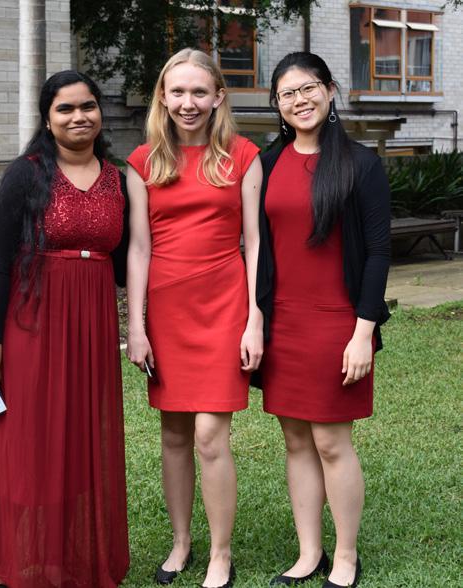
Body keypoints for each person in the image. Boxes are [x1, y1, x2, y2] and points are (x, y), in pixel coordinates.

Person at [0, 71, 130, 588]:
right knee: (28, 441)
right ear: (47, 118)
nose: (79, 116)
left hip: (93, 326)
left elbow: (128, 263)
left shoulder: (118, 179)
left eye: (88, 106)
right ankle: (11, 566)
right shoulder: (26, 174)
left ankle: (72, 559)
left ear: (100, 112)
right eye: (65, 109)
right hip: (31, 324)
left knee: (80, 441)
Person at [126, 48, 263, 588]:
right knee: (174, 434)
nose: (188, 102)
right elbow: (139, 249)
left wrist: (255, 319)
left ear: (218, 98)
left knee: (210, 435)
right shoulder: (142, 162)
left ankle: (220, 554)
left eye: (199, 92)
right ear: (163, 96)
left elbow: (255, 244)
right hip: (167, 309)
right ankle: (181, 542)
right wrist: (135, 326)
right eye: (178, 91)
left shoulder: (243, 157)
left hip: (225, 304)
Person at [256, 52, 391, 588]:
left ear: (330, 91)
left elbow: (378, 253)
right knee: (295, 441)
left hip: (337, 324)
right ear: (278, 104)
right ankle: (309, 552)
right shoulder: (267, 163)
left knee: (332, 443)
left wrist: (363, 332)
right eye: (287, 94)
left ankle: (346, 556)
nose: (300, 100)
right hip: (282, 323)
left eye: (308, 88)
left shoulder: (360, 164)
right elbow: (256, 247)